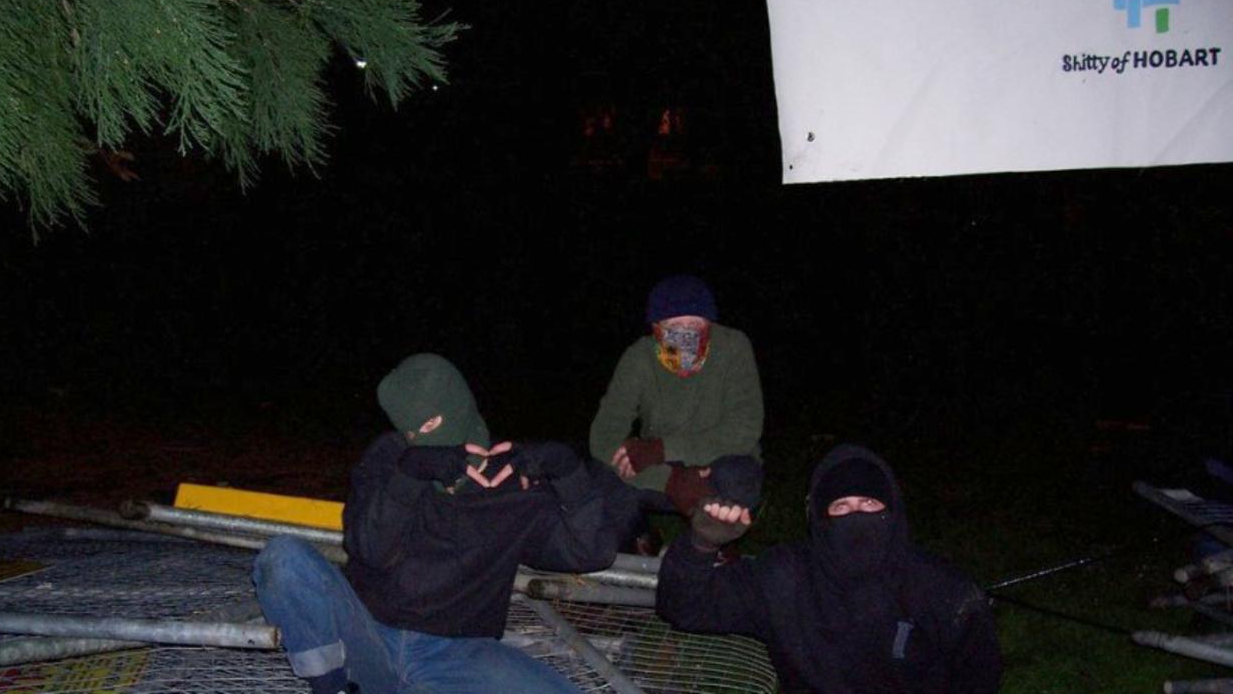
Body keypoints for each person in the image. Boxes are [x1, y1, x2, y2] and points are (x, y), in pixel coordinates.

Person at [253, 353, 616, 694]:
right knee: (282, 558)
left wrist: (569, 472)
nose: (415, 437)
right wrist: (410, 475)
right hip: (367, 635)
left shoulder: (514, 486)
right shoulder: (391, 458)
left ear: (457, 407)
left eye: (427, 425)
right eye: (407, 431)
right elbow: (371, 550)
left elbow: (592, 552)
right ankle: (331, 688)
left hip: (457, 656)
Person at [657, 444, 1001, 694]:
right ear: (819, 519)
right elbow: (684, 608)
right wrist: (700, 545)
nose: (857, 517)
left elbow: (978, 678)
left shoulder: (943, 589)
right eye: (841, 506)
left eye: (869, 503)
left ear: (893, 511)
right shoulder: (783, 577)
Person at [589, 274, 765, 552]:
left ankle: (716, 552)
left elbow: (744, 429)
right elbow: (603, 437)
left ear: (710, 324)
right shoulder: (639, 357)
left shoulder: (733, 347)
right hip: (662, 469)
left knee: (739, 479)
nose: (685, 335)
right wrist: (669, 479)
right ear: (656, 328)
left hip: (716, 464)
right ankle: (638, 542)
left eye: (694, 325)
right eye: (674, 326)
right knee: (603, 476)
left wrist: (663, 448)